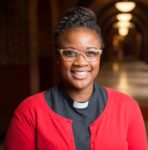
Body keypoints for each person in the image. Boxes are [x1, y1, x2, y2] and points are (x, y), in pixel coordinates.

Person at [4, 7, 147, 150]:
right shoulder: (30, 111)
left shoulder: (127, 108)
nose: (80, 62)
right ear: (57, 56)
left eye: (91, 53)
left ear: (99, 56)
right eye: (70, 53)